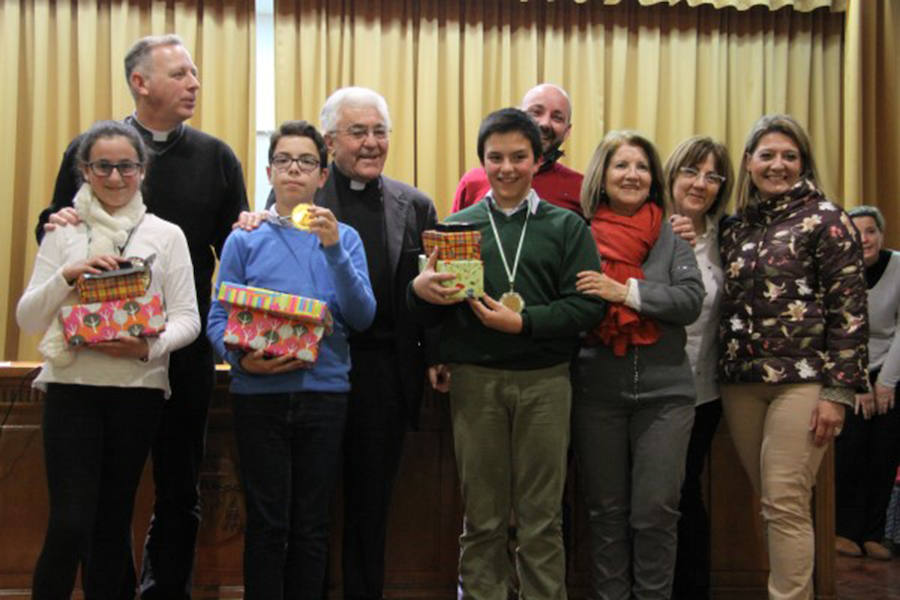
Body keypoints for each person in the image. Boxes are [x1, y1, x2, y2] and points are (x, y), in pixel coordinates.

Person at [34, 34, 248, 598]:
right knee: (97, 504)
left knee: (179, 489)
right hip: (95, 356)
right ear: (140, 82)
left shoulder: (217, 156)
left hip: (180, 350)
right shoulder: (94, 148)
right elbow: (55, 228)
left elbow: (237, 255)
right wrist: (55, 232)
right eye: (180, 74)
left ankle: (163, 592)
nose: (194, 84)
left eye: (195, 73)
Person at [410, 107, 606, 600]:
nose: (507, 168)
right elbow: (436, 309)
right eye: (495, 158)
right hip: (476, 381)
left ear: (538, 160)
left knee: (541, 518)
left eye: (519, 156)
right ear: (482, 162)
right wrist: (421, 291)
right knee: (483, 517)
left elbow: (587, 308)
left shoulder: (568, 228)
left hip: (546, 381)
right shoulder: (454, 228)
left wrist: (525, 322)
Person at [17, 120, 200, 599]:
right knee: (69, 523)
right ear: (84, 171)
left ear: (143, 170)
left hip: (136, 393)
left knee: (111, 524)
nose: (116, 178)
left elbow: (188, 319)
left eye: (127, 167)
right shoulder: (64, 232)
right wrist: (67, 277)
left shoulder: (167, 235)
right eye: (103, 167)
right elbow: (27, 318)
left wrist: (147, 347)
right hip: (70, 389)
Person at [207, 120, 375, 597]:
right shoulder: (244, 238)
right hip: (257, 397)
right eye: (284, 161)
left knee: (311, 525)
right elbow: (217, 320)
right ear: (269, 171)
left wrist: (334, 249)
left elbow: (361, 317)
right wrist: (242, 363)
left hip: (325, 397)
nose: (294, 170)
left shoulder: (347, 239)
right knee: (266, 525)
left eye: (306, 162)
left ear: (323, 176)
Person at [719, 114, 868, 599]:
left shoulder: (827, 219)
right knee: (771, 502)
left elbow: (849, 309)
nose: (777, 165)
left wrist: (837, 392)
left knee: (785, 500)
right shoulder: (735, 227)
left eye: (789, 156)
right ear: (748, 162)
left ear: (803, 162)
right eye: (767, 155)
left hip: (803, 382)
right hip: (741, 382)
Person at [571, 130, 704, 599]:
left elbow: (689, 300)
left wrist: (624, 292)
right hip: (596, 391)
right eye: (621, 165)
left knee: (655, 510)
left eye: (642, 166)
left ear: (654, 178)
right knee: (604, 512)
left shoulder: (673, 234)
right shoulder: (577, 234)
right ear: (602, 176)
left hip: (667, 396)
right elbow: (569, 304)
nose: (632, 175)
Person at [663, 136, 734, 599]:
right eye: (691, 171)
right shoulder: (648, 227)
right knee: (651, 501)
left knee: (685, 494)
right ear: (672, 175)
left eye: (712, 175)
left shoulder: (730, 237)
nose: (700, 183)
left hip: (704, 392)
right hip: (647, 389)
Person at [834, 205, 900, 561]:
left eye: (871, 230)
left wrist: (886, 383)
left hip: (892, 371)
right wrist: (859, 382)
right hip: (849, 370)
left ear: (881, 234)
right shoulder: (838, 271)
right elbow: (843, 329)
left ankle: (873, 534)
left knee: (885, 451)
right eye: (856, 231)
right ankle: (844, 530)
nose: (865, 238)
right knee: (851, 448)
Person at [452, 83, 583, 215]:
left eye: (557, 118)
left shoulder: (580, 188)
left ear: (567, 131)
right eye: (536, 112)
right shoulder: (472, 183)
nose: (545, 123)